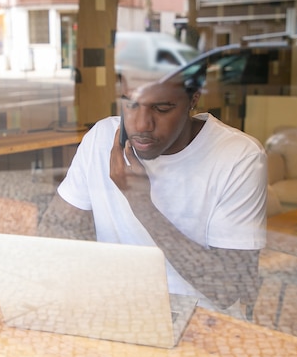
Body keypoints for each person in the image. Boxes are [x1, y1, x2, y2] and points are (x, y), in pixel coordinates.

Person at [47, 74, 267, 316]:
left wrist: (142, 205)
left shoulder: (238, 156)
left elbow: (228, 289)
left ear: (193, 98)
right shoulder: (101, 138)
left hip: (202, 321)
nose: (141, 125)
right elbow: (55, 229)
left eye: (161, 108)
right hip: (116, 310)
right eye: (130, 104)